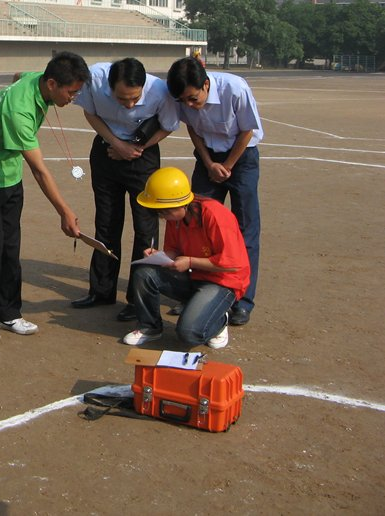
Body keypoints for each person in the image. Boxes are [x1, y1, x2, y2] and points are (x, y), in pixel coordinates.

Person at [0, 51, 89, 343]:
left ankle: (8, 312)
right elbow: (40, 171)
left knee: (10, 248)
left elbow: (21, 75)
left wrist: (14, 81)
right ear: (52, 84)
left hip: (10, 176)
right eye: (71, 92)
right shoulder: (18, 110)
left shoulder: (37, 81)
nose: (73, 98)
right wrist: (65, 212)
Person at [70, 57, 180, 322]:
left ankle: (138, 297)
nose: (129, 104)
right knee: (106, 222)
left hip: (143, 156)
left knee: (145, 228)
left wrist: (135, 150)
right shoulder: (95, 78)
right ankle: (101, 290)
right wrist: (117, 144)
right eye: (122, 99)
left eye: (134, 99)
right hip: (106, 149)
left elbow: (167, 126)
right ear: (110, 86)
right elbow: (90, 112)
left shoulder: (160, 91)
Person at [166, 56, 263, 326]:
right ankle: (195, 295)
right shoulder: (182, 98)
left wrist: (227, 166)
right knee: (193, 223)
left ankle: (242, 301)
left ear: (206, 84)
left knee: (246, 229)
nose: (188, 105)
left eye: (193, 99)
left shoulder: (236, 89)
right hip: (207, 157)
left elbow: (247, 130)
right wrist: (209, 163)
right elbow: (192, 128)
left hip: (241, 158)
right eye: (183, 101)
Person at [121, 167, 249, 349]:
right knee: (144, 273)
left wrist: (190, 261)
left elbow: (232, 264)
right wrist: (161, 256)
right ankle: (149, 326)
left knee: (189, 334)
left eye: (164, 211)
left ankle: (220, 320)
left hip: (222, 282)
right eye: (159, 212)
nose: (162, 216)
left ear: (182, 204)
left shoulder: (215, 215)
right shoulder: (176, 218)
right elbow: (174, 249)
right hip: (193, 276)